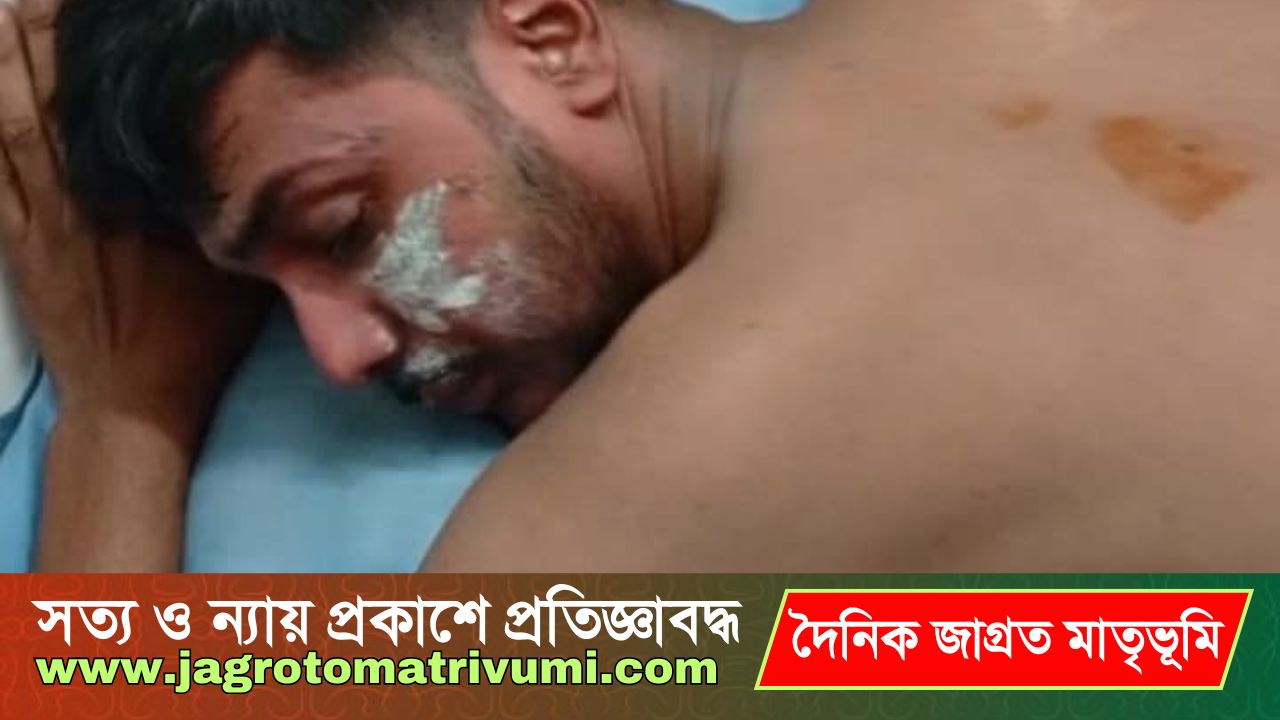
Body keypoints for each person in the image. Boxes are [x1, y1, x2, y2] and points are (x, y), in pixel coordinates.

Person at [7, 0, 1280, 571]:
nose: (338, 356)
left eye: (342, 224)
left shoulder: (688, 473)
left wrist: (121, 420)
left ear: (551, 33)